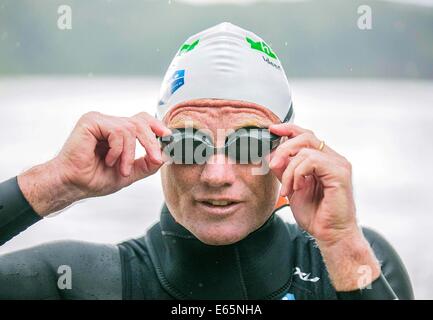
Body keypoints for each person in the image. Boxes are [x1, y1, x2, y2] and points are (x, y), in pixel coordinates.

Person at [0, 22, 413, 300]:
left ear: (288, 148)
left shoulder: (357, 260)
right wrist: (54, 183)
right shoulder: (81, 281)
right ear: (156, 144)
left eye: (249, 144)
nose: (216, 175)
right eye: (187, 144)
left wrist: (342, 240)